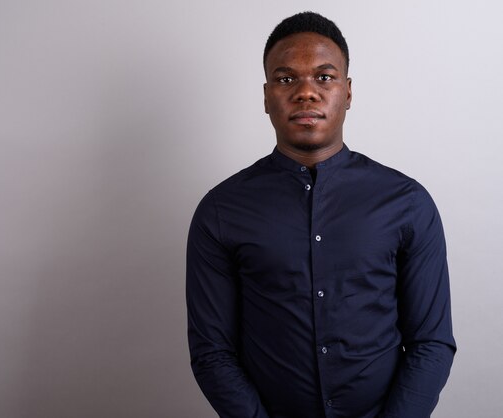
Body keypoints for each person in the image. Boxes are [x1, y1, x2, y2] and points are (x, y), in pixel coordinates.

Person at [186, 11, 456, 418]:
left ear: (347, 92)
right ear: (266, 96)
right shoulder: (220, 211)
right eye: (286, 78)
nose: (306, 93)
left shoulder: (408, 202)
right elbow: (212, 351)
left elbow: (431, 342)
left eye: (324, 78)